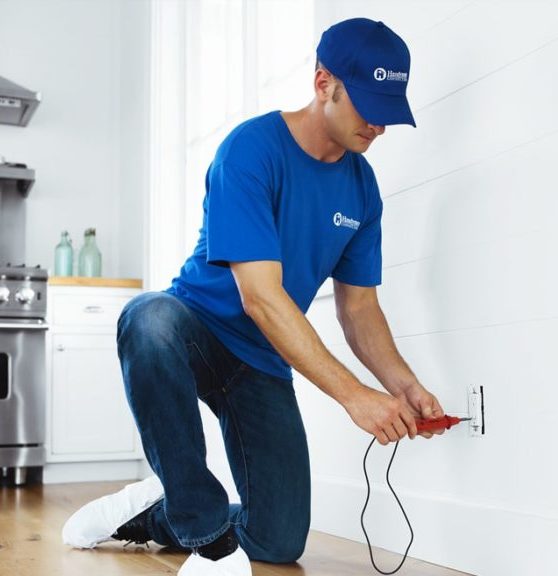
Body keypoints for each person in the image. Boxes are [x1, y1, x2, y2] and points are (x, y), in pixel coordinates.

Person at [62, 17, 446, 576]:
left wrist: (404, 387)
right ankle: (207, 540)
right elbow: (260, 298)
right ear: (324, 84)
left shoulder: (363, 190)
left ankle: (155, 513)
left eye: (388, 108)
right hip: (195, 327)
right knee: (146, 320)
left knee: (278, 538)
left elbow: (359, 309)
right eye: (367, 104)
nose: (379, 125)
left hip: (261, 360)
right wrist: (355, 397)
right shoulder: (251, 150)